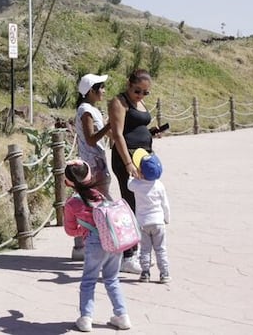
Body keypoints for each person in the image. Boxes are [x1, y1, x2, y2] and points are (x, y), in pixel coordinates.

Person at [63, 159, 132, 332]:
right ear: (90, 177)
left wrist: (83, 230)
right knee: (112, 278)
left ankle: (86, 318)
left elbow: (71, 231)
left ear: (67, 182)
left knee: (88, 280)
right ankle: (122, 316)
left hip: (94, 243)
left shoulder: (72, 203)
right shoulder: (99, 194)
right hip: (114, 240)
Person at [107, 69, 156, 274]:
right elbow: (118, 135)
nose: (141, 96)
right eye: (138, 91)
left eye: (145, 93)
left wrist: (152, 134)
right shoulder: (119, 102)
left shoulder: (139, 102)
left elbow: (138, 127)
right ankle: (128, 255)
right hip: (127, 159)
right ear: (129, 84)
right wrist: (128, 163)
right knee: (131, 204)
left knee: (144, 204)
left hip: (143, 157)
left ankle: (137, 252)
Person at [71, 73, 112, 260]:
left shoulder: (92, 109)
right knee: (100, 202)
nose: (103, 91)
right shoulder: (85, 111)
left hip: (97, 160)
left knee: (94, 201)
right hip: (92, 163)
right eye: (100, 88)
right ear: (90, 91)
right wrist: (109, 126)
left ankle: (82, 244)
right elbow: (90, 138)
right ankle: (108, 240)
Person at [128, 148, 170, 283]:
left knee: (145, 250)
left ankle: (145, 273)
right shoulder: (159, 185)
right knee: (161, 249)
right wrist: (167, 218)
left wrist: (132, 174)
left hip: (143, 223)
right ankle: (164, 273)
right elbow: (165, 204)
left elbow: (128, 184)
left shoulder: (136, 184)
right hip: (158, 222)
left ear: (141, 172)